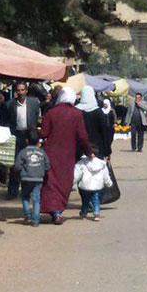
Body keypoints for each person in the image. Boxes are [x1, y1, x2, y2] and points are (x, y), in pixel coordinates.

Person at [40, 86, 92, 225]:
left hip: (50, 152)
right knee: (64, 181)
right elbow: (82, 136)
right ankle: (58, 211)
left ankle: (53, 211)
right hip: (68, 153)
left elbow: (43, 133)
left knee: (51, 181)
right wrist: (89, 152)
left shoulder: (51, 112)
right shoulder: (76, 114)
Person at [6, 82, 40, 199]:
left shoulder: (34, 103)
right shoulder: (10, 105)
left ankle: (28, 191)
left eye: (22, 90)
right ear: (16, 92)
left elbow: (36, 118)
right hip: (16, 135)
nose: (20, 93)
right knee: (16, 164)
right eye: (18, 90)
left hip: (30, 135)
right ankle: (12, 191)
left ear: (26, 91)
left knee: (30, 163)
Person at [12, 130, 50, 227]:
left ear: (26, 141)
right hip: (38, 179)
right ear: (39, 142)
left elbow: (17, 166)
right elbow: (47, 166)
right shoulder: (42, 152)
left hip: (26, 179)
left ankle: (28, 216)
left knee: (25, 197)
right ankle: (36, 220)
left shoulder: (22, 152)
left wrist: (20, 172)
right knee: (36, 199)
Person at [73, 146, 113, 222]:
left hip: (85, 186)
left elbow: (76, 175)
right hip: (97, 186)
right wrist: (109, 183)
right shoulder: (101, 164)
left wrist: (72, 183)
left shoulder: (82, 163)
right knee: (96, 200)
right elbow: (105, 175)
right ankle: (96, 214)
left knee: (85, 201)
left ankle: (84, 213)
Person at [76, 86, 112, 160]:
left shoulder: (76, 111)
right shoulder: (99, 112)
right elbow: (105, 132)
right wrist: (107, 151)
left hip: (80, 147)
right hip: (97, 148)